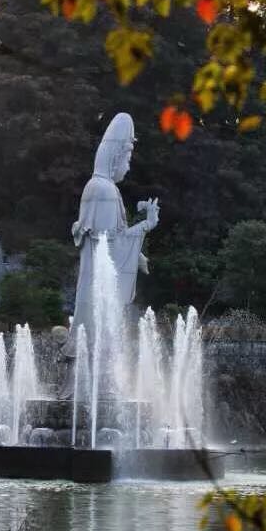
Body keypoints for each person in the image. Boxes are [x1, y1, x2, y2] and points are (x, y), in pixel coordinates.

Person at [62, 112, 159, 363]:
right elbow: (110, 247)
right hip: (95, 289)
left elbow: (110, 240)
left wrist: (137, 255)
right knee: (93, 341)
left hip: (96, 287)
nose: (129, 166)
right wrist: (146, 225)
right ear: (115, 157)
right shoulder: (101, 188)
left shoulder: (106, 188)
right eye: (128, 158)